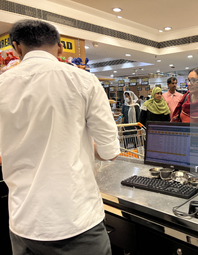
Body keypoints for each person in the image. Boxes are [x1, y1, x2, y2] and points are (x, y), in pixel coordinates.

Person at [0, 19, 120, 255]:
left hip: (23, 220)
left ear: (16, 47)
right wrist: (87, 147)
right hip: (76, 219)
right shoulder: (83, 81)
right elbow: (110, 151)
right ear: (60, 48)